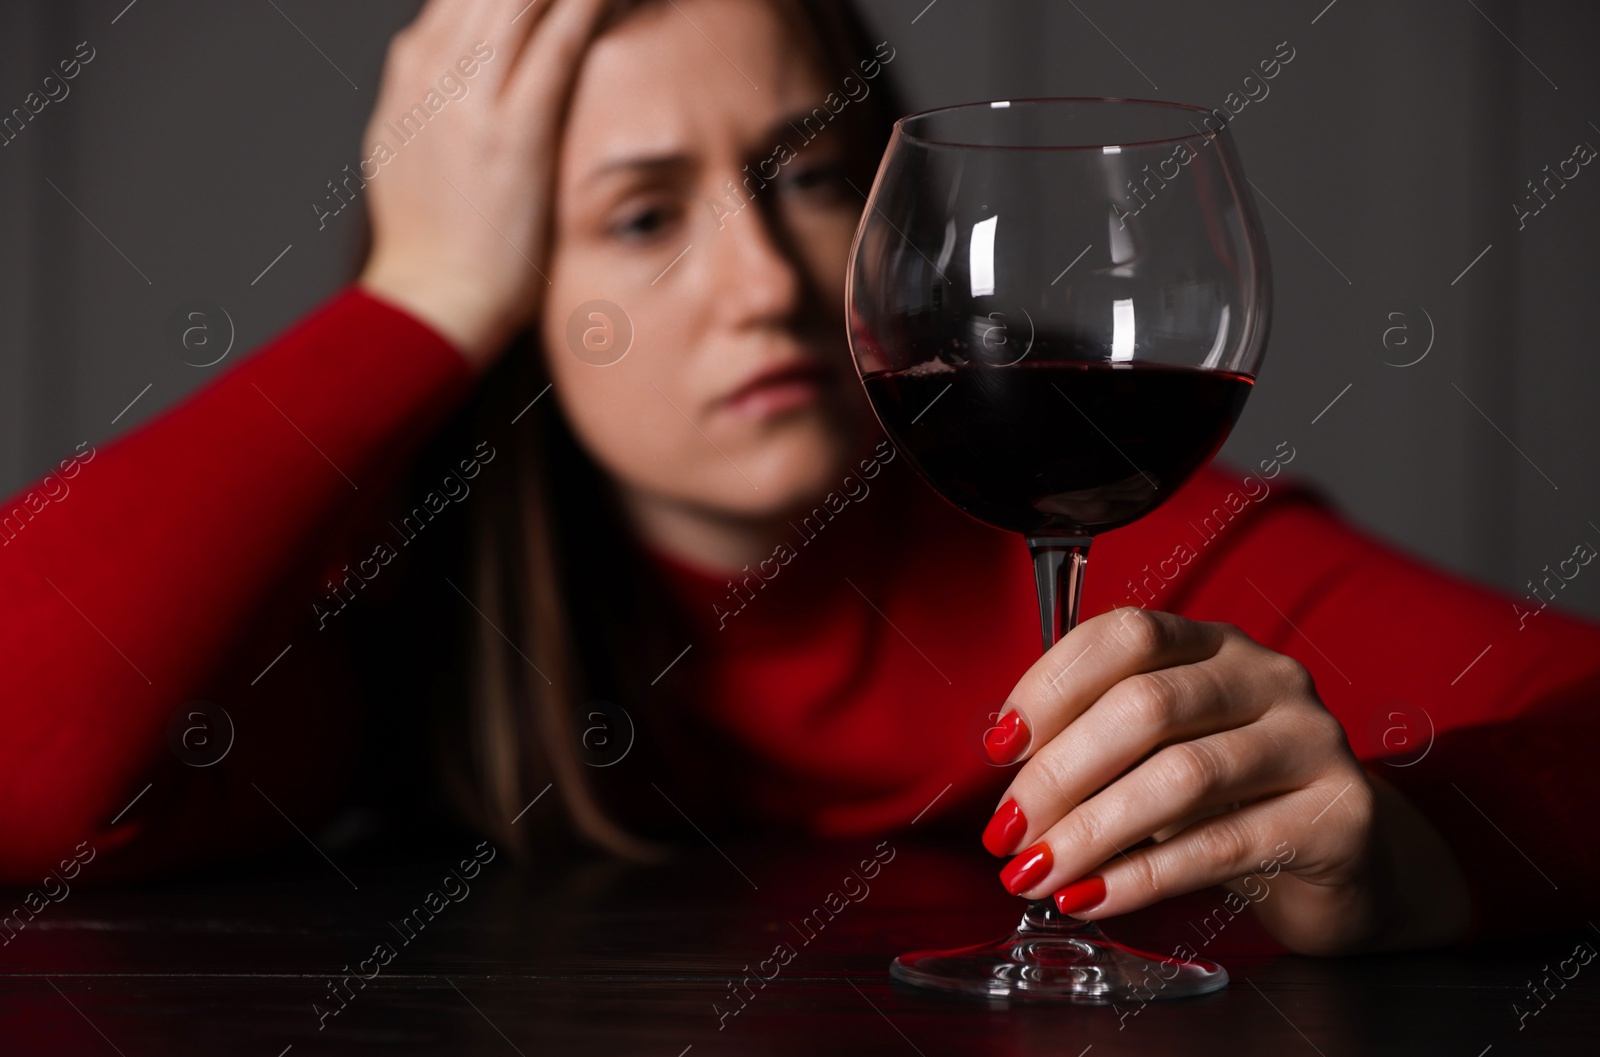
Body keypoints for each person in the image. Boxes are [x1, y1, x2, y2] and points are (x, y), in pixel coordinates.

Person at [1, 0, 1596, 958]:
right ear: (510, 299)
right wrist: (414, 302)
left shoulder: (1130, 543)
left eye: (810, 177)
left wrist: (1409, 862)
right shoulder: (425, 618)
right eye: (639, 218)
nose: (763, 280)